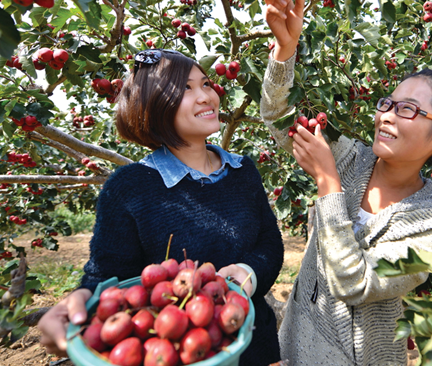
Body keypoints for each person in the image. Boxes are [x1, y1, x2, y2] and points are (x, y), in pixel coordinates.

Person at [261, 0, 432, 365]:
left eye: (408, 109)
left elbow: (353, 283)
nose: (386, 115)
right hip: (293, 338)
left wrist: (327, 182)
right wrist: (285, 50)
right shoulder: (351, 158)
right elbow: (279, 118)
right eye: (387, 104)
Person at [38, 49, 284, 365]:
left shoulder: (243, 170)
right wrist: (82, 302)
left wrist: (249, 273)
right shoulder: (129, 187)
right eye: (186, 89)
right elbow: (108, 276)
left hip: (255, 345)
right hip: (174, 352)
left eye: (206, 84)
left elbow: (269, 243)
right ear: (155, 105)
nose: (206, 96)